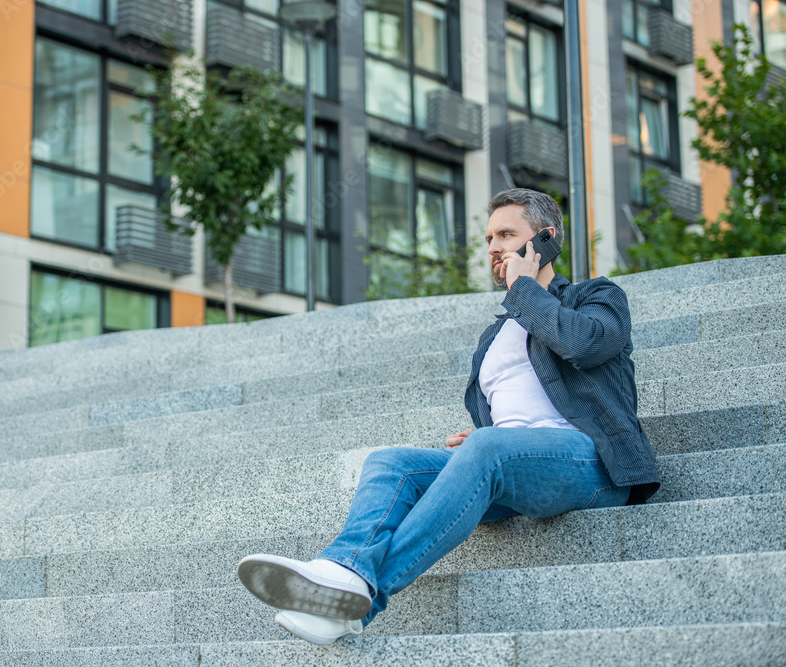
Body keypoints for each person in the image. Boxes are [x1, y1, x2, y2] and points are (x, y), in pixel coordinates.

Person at [236, 188, 660, 645]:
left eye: (507, 234)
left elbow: (585, 344)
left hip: (593, 464)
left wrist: (524, 289)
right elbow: (518, 410)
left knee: (488, 448)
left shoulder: (594, 296)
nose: (494, 247)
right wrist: (490, 436)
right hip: (517, 463)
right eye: (489, 238)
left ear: (547, 240)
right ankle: (342, 573)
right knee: (390, 462)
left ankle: (360, 591)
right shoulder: (495, 336)